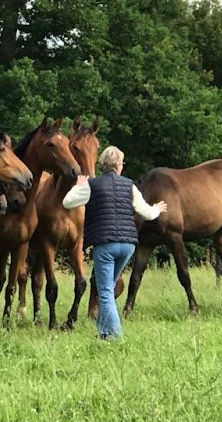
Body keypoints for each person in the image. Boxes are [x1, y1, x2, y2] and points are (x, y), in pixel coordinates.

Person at [62, 145, 167, 340]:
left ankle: (115, 336)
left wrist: (78, 185)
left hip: (105, 245)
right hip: (128, 245)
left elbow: (67, 203)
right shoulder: (130, 185)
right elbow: (147, 213)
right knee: (108, 288)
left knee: (105, 292)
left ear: (102, 165)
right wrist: (157, 209)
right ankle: (103, 332)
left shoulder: (90, 185)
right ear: (118, 166)